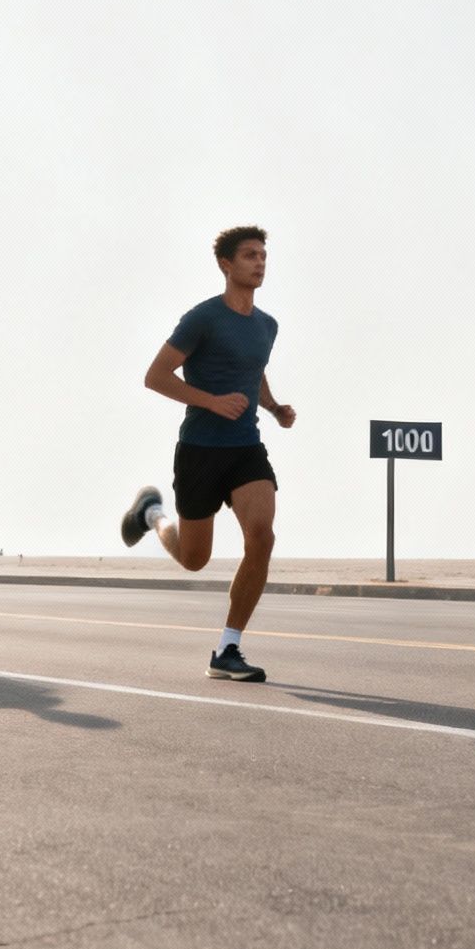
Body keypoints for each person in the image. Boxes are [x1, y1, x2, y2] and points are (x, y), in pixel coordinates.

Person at [121, 225, 295, 682]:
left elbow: (252, 371)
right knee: (194, 558)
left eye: (263, 255)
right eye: (249, 256)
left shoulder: (266, 325)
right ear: (226, 265)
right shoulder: (202, 318)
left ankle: (228, 647)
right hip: (200, 450)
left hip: (246, 449)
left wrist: (273, 407)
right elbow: (155, 376)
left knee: (262, 536)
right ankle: (153, 515)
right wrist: (212, 401)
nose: (259, 262)